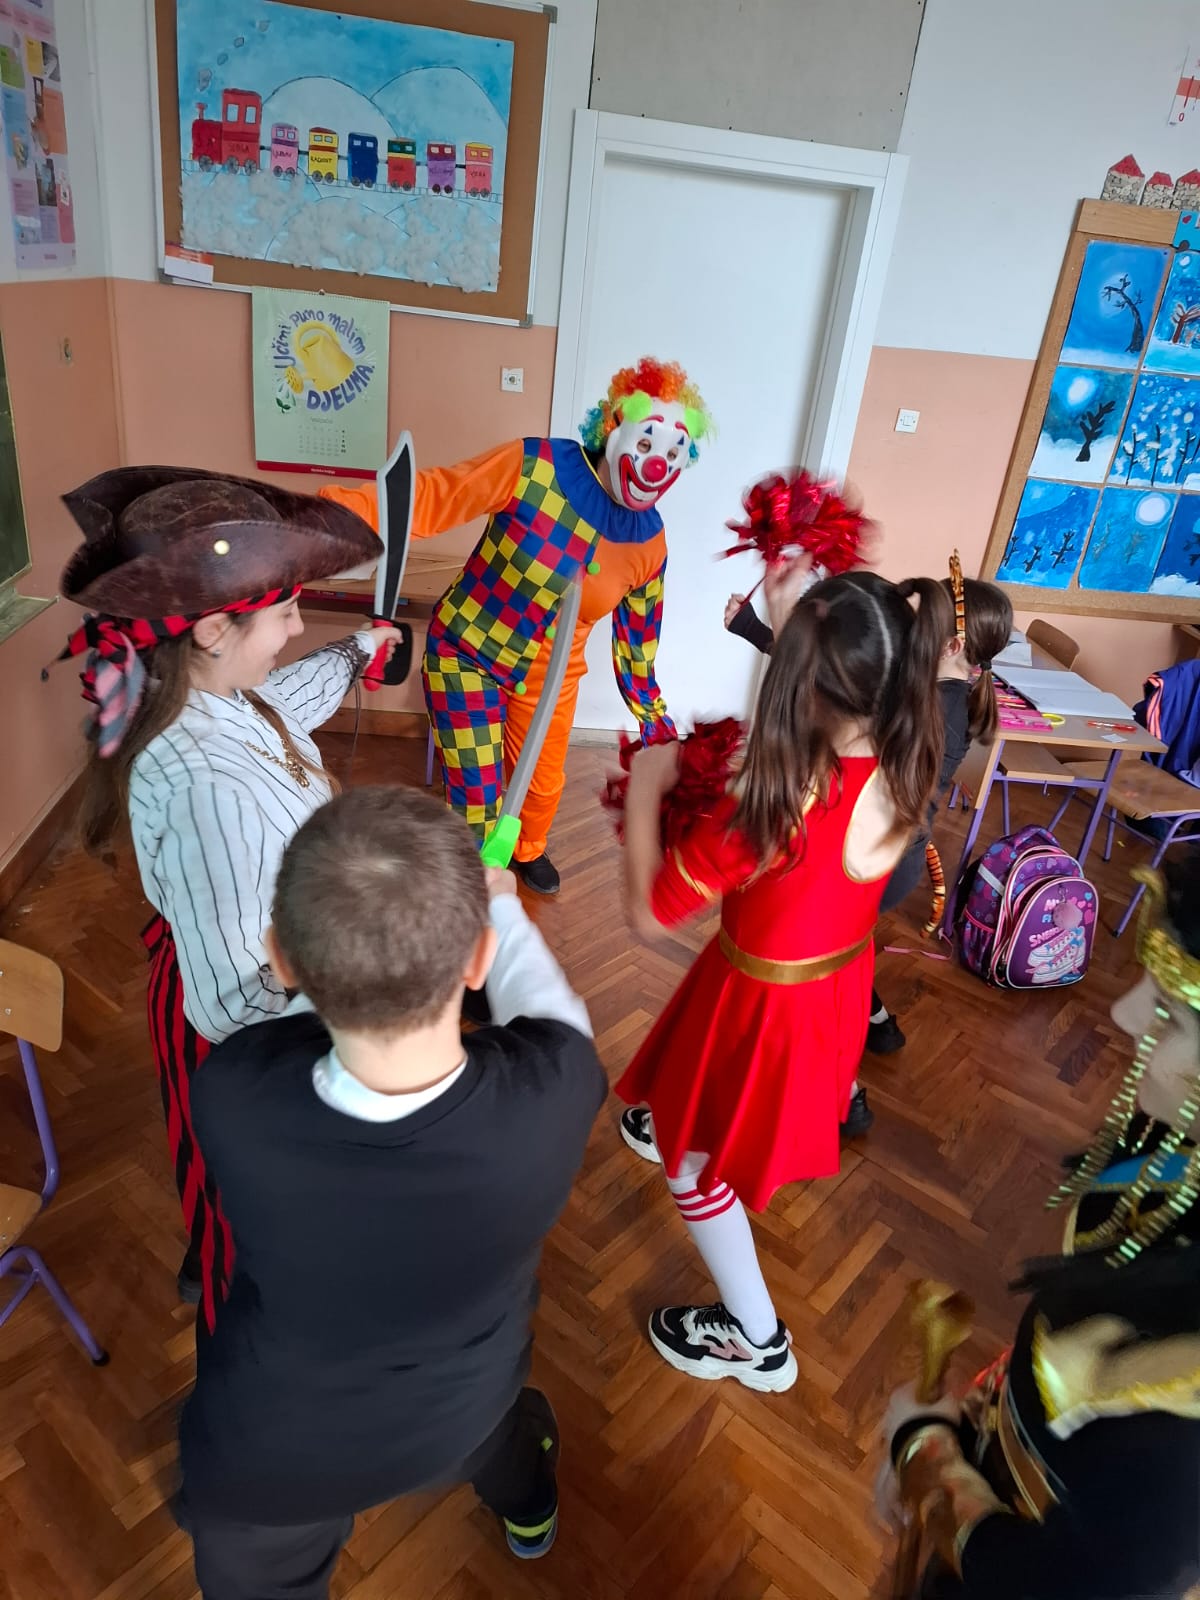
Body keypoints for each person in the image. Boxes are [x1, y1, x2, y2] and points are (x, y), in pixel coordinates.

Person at [175, 786, 605, 1599]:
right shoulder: (554, 1097)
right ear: (477, 962)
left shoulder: (232, 1094)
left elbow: (298, 1021)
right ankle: (529, 1508)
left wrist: (343, 948)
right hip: (463, 1409)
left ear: (282, 959)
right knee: (506, 1442)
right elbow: (556, 1017)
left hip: (275, 1453)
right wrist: (501, 909)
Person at [55, 466, 403, 1327]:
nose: (298, 626)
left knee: (231, 1183)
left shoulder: (211, 694)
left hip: (256, 967)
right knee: (247, 1207)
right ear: (213, 628)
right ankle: (244, 1325)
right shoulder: (211, 788)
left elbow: (278, 706)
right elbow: (235, 1007)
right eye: (286, 612)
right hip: (243, 1029)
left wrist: (355, 653)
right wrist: (369, 1000)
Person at [614, 555, 947, 1390]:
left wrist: (649, 786)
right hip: (828, 990)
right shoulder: (911, 754)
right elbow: (807, 728)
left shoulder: (771, 805)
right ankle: (683, 1118)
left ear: (804, 685)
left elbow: (650, 914)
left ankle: (756, 1339)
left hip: (763, 1007)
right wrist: (783, 613)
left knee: (694, 1171)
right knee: (696, 1107)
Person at [878, 851, 1200, 1598]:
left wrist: (925, 1454)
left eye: (1174, 1014)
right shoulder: (1172, 1154)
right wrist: (971, 1423)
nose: (1125, 1016)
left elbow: (1058, 1583)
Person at [319, 356, 713, 895]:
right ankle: (472, 885)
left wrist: (653, 716)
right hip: (469, 650)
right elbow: (437, 494)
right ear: (614, 425)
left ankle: (526, 849)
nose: (656, 463)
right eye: (646, 443)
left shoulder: (648, 542)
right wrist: (336, 514)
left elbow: (637, 642)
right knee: (478, 800)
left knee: (543, 787)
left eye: (672, 453)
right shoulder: (535, 466)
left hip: (550, 677)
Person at [725, 563, 1013, 1112]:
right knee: (838, 954)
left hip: (873, 861)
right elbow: (839, 682)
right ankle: (878, 1026)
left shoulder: (934, 709)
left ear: (952, 646)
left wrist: (774, 629)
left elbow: (834, 697)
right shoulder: (933, 690)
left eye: (922, 626)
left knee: (815, 969)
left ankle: (845, 1095)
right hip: (880, 855)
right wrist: (759, 630)